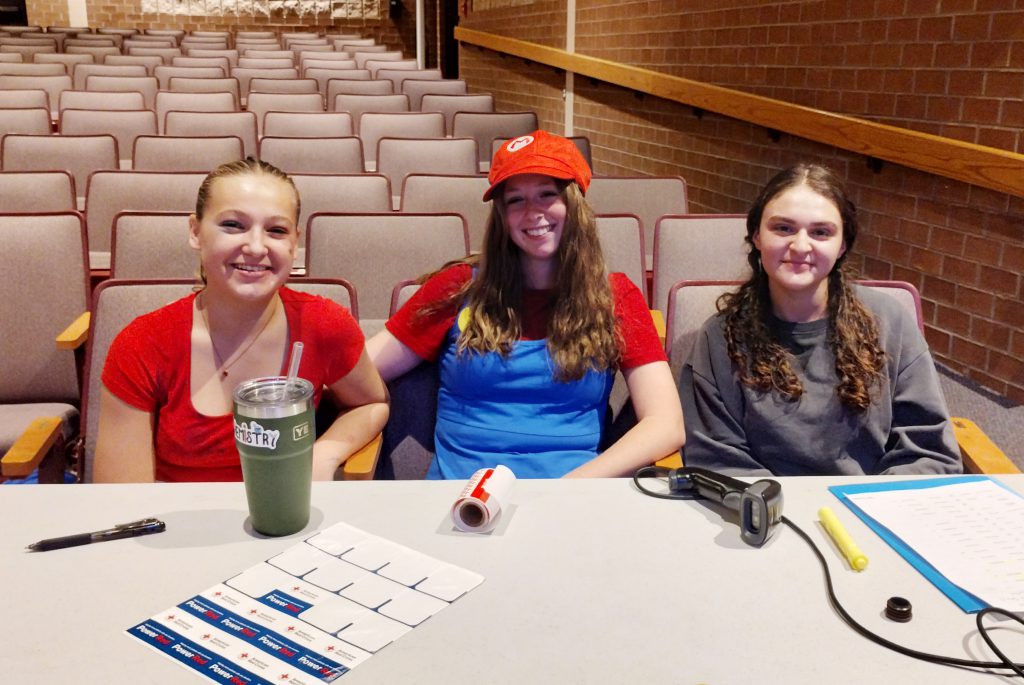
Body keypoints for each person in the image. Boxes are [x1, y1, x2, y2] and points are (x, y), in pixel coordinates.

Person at [367, 130, 684, 479]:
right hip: (461, 498)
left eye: (547, 194)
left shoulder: (614, 297)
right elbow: (362, 368)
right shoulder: (459, 286)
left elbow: (665, 423)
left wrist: (571, 487)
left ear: (574, 204)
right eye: (515, 200)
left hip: (572, 496)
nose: (533, 212)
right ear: (501, 215)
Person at [94, 159, 389, 482]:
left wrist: (324, 453)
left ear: (295, 243)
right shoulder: (143, 343)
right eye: (233, 225)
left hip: (287, 524)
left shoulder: (323, 324)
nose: (255, 247)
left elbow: (371, 403)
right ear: (195, 232)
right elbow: (122, 499)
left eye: (276, 230)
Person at [679, 163, 962, 476]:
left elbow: (927, 450)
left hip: (869, 509)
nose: (801, 246)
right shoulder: (720, 336)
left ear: (841, 246)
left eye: (820, 232)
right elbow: (718, 457)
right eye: (783, 228)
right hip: (767, 513)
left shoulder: (890, 323)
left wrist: (869, 508)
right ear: (757, 236)